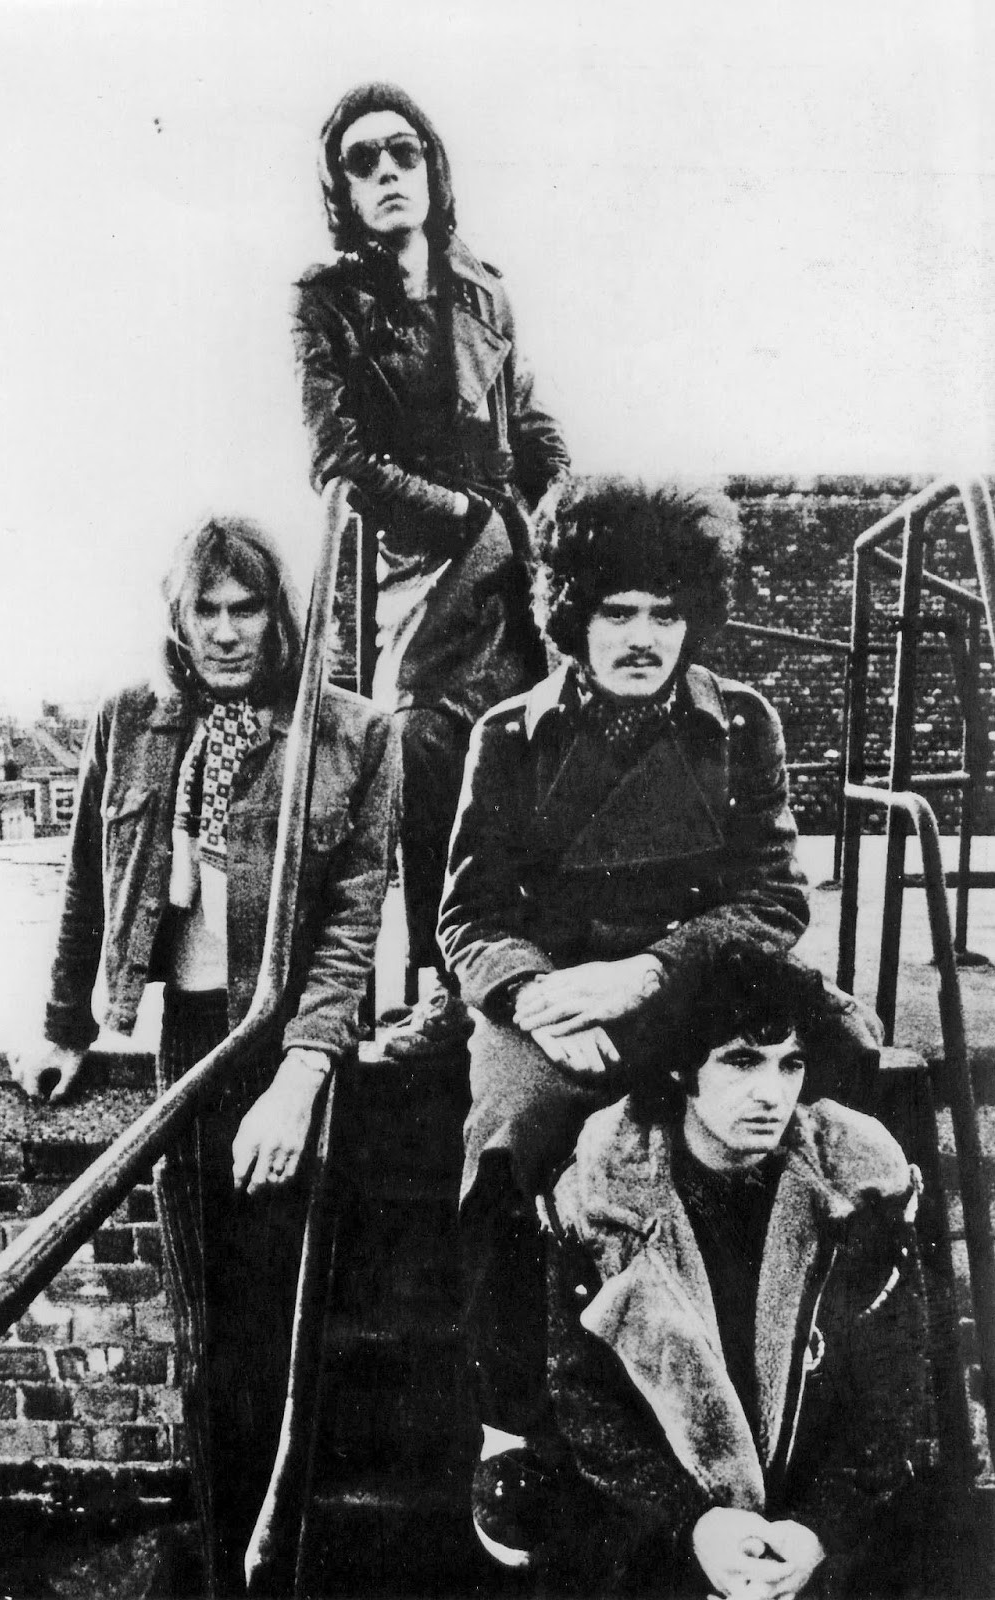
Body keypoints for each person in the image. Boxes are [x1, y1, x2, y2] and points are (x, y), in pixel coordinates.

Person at [438, 476, 864, 1565]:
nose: (642, 637)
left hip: (692, 989)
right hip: (553, 1003)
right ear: (571, 614)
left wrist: (650, 972)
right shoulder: (509, 735)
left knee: (845, 1091)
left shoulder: (743, 723)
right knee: (513, 1130)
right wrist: (531, 998)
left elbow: (773, 896)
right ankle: (510, 1429)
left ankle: (816, 1423)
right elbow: (469, 914)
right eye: (616, 611)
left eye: (666, 613)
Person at [10, 516, 398, 1597]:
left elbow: (352, 927)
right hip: (187, 1047)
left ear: (281, 616)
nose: (227, 632)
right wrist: (65, 1026)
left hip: (294, 1050)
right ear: (178, 619)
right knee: (208, 1329)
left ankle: (292, 1561)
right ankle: (229, 1563)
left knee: (287, 1327)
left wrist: (301, 1074)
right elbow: (89, 884)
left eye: (248, 608)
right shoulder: (131, 721)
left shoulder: (353, 734)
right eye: (207, 610)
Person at [293, 81, 569, 1057]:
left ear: (432, 167)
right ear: (342, 189)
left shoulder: (484, 289)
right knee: (417, 743)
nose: (387, 173)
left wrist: (555, 503)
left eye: (403, 153)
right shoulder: (328, 304)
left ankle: (533, 970)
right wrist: (460, 516)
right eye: (362, 162)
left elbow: (528, 423)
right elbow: (338, 457)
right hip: (411, 568)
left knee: (537, 742)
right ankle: (446, 983)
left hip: (510, 565)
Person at [543, 945, 928, 1598]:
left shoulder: (860, 1184)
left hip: (817, 1541)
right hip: (664, 1539)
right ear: (681, 1068)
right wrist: (696, 1527)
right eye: (742, 1061)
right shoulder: (602, 1196)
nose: (770, 1093)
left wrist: (814, 1534)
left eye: (790, 1064)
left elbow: (894, 1397)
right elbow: (586, 1404)